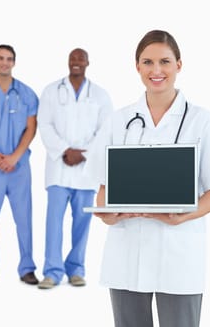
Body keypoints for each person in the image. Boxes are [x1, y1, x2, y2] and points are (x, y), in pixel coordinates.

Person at [86, 30, 210, 327]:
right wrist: (107, 213)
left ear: (179, 65)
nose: (156, 70)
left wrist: (182, 216)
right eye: (148, 62)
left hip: (178, 251)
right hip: (127, 251)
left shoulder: (201, 121)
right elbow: (102, 188)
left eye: (165, 61)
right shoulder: (119, 119)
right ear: (137, 66)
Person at [37, 48, 113, 289]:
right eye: (73, 58)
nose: (76, 62)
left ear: (88, 62)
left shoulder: (100, 95)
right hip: (59, 169)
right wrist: (64, 151)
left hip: (85, 171)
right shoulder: (51, 91)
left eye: (80, 58)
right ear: (68, 62)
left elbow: (105, 130)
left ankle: (76, 269)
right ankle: (52, 271)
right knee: (54, 223)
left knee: (82, 222)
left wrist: (84, 153)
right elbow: (44, 124)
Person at [0, 44, 39, 285]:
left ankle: (27, 268)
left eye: (9, 59)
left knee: (24, 218)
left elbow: (31, 128)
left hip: (19, 167)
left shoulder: (26, 94)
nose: (5, 62)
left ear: (14, 62)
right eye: (1, 58)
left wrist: (14, 157)